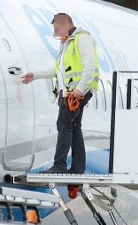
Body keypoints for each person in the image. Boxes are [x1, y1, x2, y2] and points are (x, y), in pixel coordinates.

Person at [22, 12, 100, 175]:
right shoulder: (67, 44)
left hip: (76, 92)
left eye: (57, 28)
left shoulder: (81, 38)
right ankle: (78, 168)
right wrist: (35, 75)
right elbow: (58, 71)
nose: (55, 32)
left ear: (67, 24)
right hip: (70, 92)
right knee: (74, 127)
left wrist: (79, 91)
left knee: (63, 124)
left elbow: (89, 67)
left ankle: (60, 165)